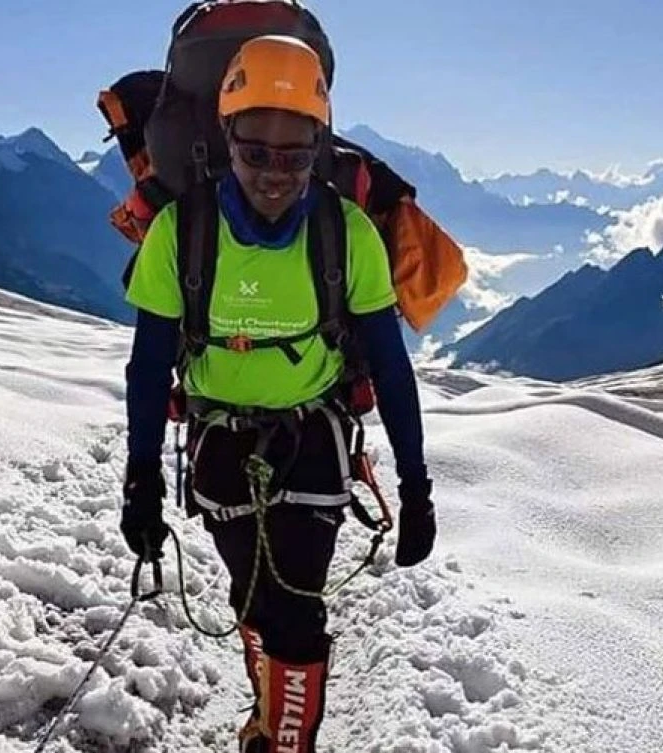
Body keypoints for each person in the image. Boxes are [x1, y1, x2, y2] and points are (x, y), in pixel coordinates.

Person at [118, 34, 435, 753]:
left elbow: (390, 363)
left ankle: (282, 742)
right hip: (218, 442)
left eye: (294, 154)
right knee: (252, 598)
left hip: (314, 439)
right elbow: (148, 364)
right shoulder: (182, 230)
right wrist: (138, 478)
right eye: (256, 150)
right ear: (226, 135)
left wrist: (417, 486)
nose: (274, 172)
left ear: (318, 145)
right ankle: (268, 720)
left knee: (294, 609)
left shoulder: (345, 231)